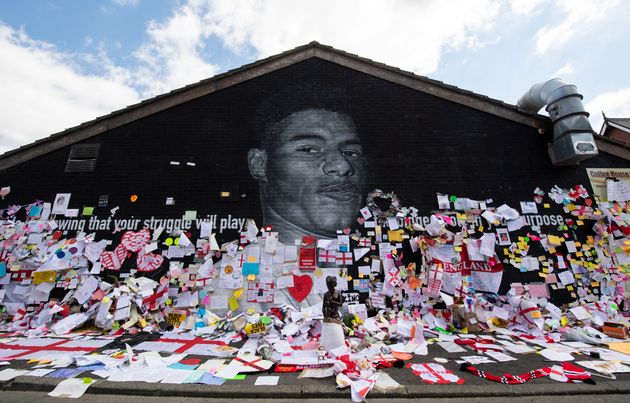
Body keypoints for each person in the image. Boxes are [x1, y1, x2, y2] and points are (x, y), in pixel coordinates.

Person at [248, 108, 368, 243]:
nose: (343, 166)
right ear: (259, 164)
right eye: (309, 150)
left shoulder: (381, 261)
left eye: (351, 152)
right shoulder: (241, 264)